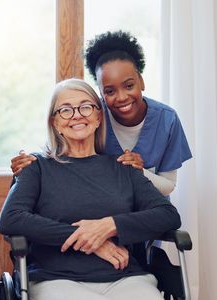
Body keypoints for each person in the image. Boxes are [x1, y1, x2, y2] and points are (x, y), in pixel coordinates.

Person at [0, 78, 181, 300]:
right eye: (65, 110)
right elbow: (11, 219)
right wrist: (89, 240)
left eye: (85, 107)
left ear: (98, 116)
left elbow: (168, 216)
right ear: (54, 122)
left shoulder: (124, 167)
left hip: (125, 278)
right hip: (57, 279)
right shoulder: (36, 167)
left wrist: (109, 226)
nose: (77, 115)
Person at [10, 30, 192, 197]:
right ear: (100, 93)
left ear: (141, 81)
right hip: (105, 207)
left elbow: (168, 185)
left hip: (149, 210)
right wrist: (30, 163)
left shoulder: (167, 120)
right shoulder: (92, 117)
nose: (121, 97)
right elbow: (62, 151)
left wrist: (138, 171)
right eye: (110, 91)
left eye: (129, 86)